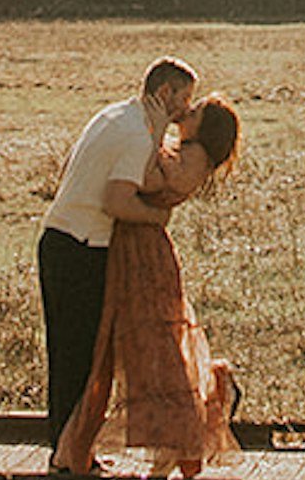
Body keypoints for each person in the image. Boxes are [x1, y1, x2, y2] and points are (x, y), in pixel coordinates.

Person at [54, 93, 242, 480]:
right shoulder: (185, 150)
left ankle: (187, 430)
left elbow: (149, 177)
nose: (185, 113)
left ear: (205, 129)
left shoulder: (193, 159)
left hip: (146, 256)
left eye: (195, 112)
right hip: (132, 249)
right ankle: (151, 446)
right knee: (137, 345)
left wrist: (152, 132)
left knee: (157, 346)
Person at [38, 58, 197, 454]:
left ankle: (64, 448)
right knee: (83, 356)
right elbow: (117, 200)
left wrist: (157, 132)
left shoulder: (115, 114)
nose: (186, 110)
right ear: (164, 93)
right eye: (183, 98)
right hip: (81, 248)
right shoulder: (136, 136)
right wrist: (156, 216)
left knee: (65, 353)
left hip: (58, 238)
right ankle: (70, 456)